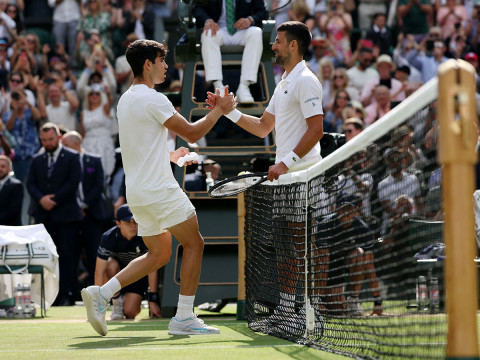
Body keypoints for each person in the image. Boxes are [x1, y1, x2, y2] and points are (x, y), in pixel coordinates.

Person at [81, 39, 236, 336]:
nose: (166, 66)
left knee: (159, 253)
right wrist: (221, 110)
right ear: (148, 64)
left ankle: (101, 293)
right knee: (195, 244)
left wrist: (170, 155)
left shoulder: (125, 99)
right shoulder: (154, 99)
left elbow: (138, 146)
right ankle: (183, 318)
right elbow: (192, 132)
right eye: (162, 60)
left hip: (138, 193)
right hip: (159, 189)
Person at [207, 21, 323, 328]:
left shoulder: (306, 80)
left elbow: (316, 130)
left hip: (304, 176)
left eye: (278, 41)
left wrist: (286, 162)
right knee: (286, 246)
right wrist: (227, 111)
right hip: (287, 178)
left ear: (294, 45)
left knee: (301, 246)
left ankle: (312, 310)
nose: (273, 46)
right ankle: (288, 310)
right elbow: (262, 127)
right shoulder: (284, 81)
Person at [26, 122, 82, 306]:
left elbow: (73, 182)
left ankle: (67, 293)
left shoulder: (72, 157)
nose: (47, 143)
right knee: (46, 256)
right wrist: (41, 199)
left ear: (58, 137)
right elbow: (31, 184)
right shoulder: (36, 159)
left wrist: (54, 199)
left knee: (67, 255)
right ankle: (49, 296)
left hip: (66, 215)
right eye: (44, 140)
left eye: (50, 139)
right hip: (44, 216)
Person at [193, 0, 268, 103]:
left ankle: (244, 86)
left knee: (256, 33)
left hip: (242, 31)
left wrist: (250, 20)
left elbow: (262, 12)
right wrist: (208, 21)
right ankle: (218, 87)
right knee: (208, 33)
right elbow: (197, 8)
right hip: (218, 30)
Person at [95, 204, 162, 320]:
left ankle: (128, 302)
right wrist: (96, 305)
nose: (133, 226)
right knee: (110, 264)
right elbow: (99, 270)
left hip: (137, 277)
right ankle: (116, 303)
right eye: (127, 222)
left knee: (130, 313)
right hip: (116, 275)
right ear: (118, 223)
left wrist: (153, 299)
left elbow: (152, 267)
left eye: (135, 222)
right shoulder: (108, 237)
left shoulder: (145, 236)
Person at [62, 131, 111, 286]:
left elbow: (98, 186)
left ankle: (97, 290)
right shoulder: (63, 163)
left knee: (94, 254)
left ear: (76, 144)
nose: (63, 149)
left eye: (66, 145)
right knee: (71, 254)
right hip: (71, 215)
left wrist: (84, 205)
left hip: (93, 214)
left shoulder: (94, 160)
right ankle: (71, 291)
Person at [0, 154, 23, 225]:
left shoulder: (16, 185)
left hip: (10, 230)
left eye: (3, 166)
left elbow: (12, 211)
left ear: (9, 169)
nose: (0, 169)